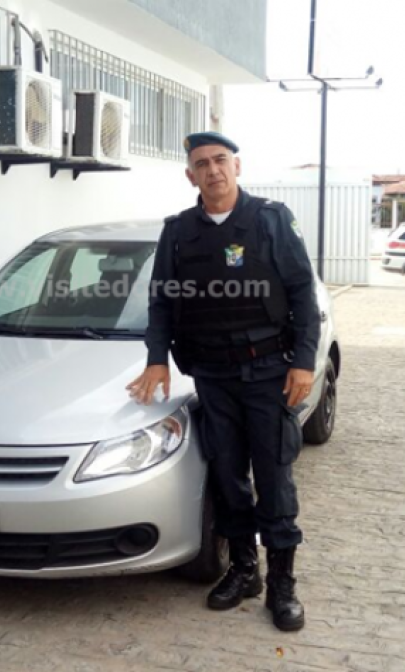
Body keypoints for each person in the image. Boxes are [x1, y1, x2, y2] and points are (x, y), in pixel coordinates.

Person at [125, 131, 321, 632]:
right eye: (202, 164)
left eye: (221, 161)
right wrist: (156, 359)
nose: (213, 170)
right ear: (190, 176)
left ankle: (282, 584)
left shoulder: (270, 221)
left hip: (267, 373)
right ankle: (244, 569)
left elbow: (302, 292)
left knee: (274, 478)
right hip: (212, 375)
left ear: (237, 166)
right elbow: (162, 302)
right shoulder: (179, 232)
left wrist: (302, 361)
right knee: (229, 476)